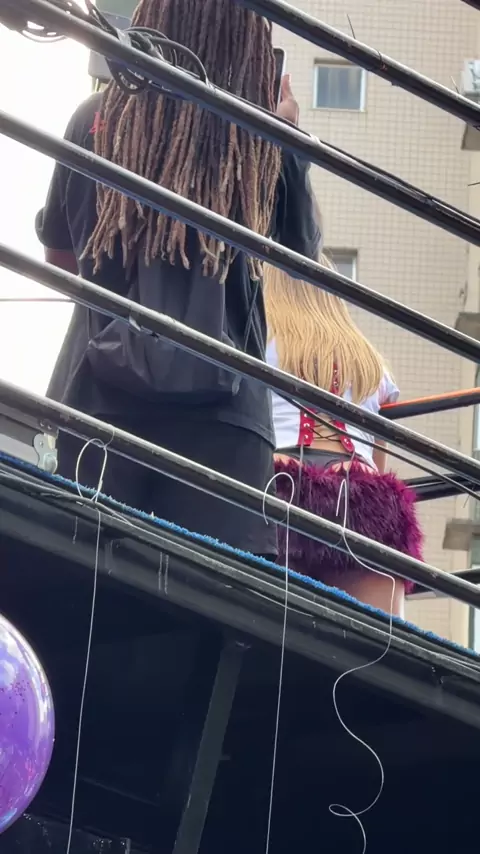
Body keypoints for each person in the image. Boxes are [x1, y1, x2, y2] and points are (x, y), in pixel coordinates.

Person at [35, 0, 321, 557]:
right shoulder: (258, 137)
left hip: (101, 400)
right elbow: (300, 259)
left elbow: (59, 258)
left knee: (83, 590)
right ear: (248, 43)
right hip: (226, 425)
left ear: (151, 22)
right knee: (210, 600)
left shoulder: (94, 120)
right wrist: (285, 137)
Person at [264, 256, 423, 615]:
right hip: (362, 492)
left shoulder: (260, 338)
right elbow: (379, 458)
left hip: (282, 480)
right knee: (377, 635)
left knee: (274, 627)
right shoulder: (369, 361)